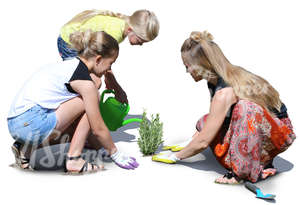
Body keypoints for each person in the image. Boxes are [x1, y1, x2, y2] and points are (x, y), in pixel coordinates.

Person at [152, 31, 296, 184]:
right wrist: (189, 142)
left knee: (244, 108)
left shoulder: (224, 92)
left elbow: (204, 141)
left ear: (201, 65)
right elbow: (214, 122)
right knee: (205, 121)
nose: (187, 71)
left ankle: (241, 172)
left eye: (187, 66)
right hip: (263, 130)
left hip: (279, 135)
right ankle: (253, 159)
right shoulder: (216, 80)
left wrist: (176, 157)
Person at [7, 30, 139, 173]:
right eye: (110, 63)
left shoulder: (70, 66)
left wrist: (99, 148)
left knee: (76, 133)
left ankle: (24, 148)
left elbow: (84, 127)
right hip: (32, 123)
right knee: (92, 98)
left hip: (16, 122)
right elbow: (97, 127)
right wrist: (115, 153)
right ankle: (74, 159)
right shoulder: (84, 83)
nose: (109, 69)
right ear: (98, 59)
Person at [57, 9, 160, 104]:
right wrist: (116, 86)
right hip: (69, 43)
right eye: (140, 40)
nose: (141, 44)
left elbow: (103, 62)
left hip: (79, 41)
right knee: (88, 84)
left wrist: (111, 81)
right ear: (130, 30)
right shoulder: (115, 34)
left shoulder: (121, 24)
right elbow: (102, 62)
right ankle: (70, 112)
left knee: (92, 82)